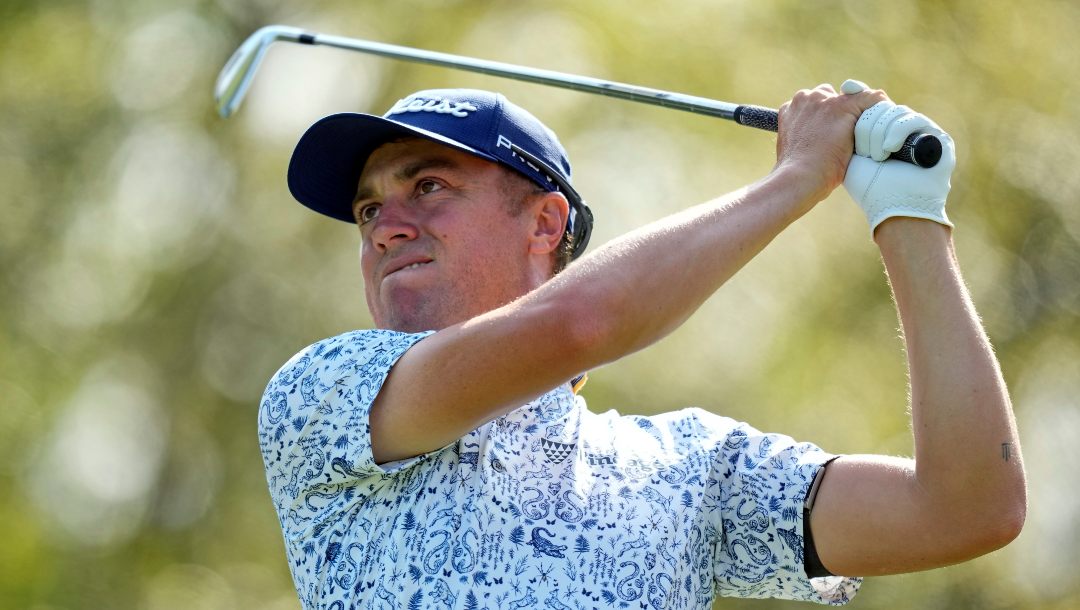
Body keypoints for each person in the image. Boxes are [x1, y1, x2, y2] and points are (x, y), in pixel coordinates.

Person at [258, 81, 1026, 609]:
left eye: (428, 186)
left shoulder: (688, 467)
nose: (386, 226)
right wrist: (798, 176)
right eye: (367, 209)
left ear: (545, 225)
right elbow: (578, 323)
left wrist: (908, 212)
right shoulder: (323, 394)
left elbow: (966, 507)